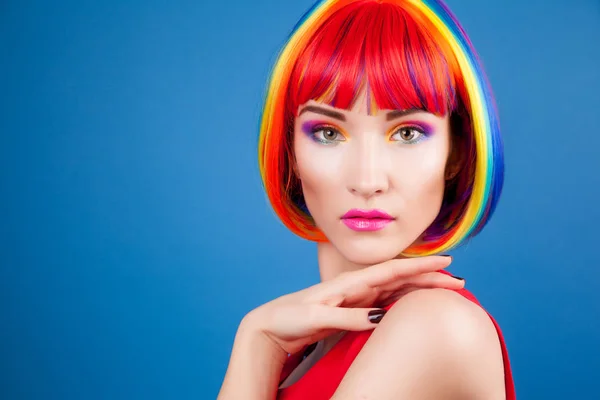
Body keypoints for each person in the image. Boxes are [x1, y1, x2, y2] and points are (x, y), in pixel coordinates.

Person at [218, 0, 515, 398]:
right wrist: (258, 341)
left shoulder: (435, 325)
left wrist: (258, 343)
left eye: (407, 133)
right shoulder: (301, 345)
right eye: (328, 133)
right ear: (290, 150)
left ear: (456, 152)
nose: (367, 180)